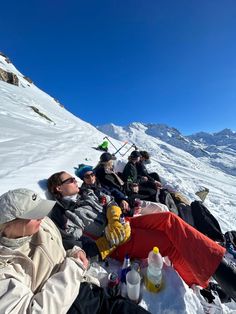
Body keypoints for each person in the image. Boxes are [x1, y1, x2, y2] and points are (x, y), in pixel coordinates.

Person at [47, 171, 236, 301]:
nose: (76, 181)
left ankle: (218, 268)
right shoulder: (64, 216)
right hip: (115, 244)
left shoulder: (87, 193)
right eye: (70, 180)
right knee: (167, 242)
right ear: (58, 188)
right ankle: (216, 281)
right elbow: (81, 248)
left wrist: (114, 216)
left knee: (169, 219)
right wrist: (111, 239)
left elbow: (110, 201)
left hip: (124, 223)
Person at [0, 188, 150, 314]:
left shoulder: (43, 224)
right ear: (7, 224)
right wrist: (74, 266)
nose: (42, 216)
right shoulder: (4, 268)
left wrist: (75, 252)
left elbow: (66, 245)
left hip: (87, 291)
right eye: (35, 214)